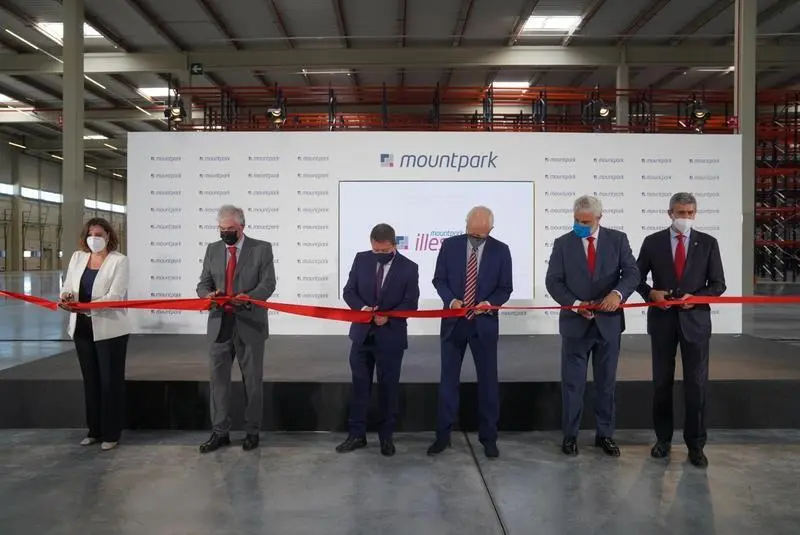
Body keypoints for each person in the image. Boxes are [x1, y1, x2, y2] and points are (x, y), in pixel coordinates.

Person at [635, 192, 726, 468]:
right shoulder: (652, 242)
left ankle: (696, 445)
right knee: (661, 384)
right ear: (669, 213)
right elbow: (636, 277)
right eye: (679, 212)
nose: (684, 217)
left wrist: (696, 298)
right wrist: (651, 294)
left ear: (695, 214)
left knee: (696, 386)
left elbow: (718, 284)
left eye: (689, 213)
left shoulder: (708, 243)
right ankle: (662, 440)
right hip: (662, 322)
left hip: (695, 324)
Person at [545, 195, 639, 457]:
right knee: (572, 385)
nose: (580, 225)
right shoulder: (562, 243)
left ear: (599, 218)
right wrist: (575, 304)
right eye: (576, 220)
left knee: (606, 384)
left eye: (585, 222)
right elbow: (553, 281)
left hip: (608, 326)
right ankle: (570, 436)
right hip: (575, 326)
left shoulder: (618, 240)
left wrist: (617, 295)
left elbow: (632, 273)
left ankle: (605, 435)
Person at [428, 206, 513, 459]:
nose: (475, 239)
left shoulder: (502, 250)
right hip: (454, 323)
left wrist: (490, 303)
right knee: (448, 382)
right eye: (472, 233)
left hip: (484, 325)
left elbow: (505, 288)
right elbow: (439, 280)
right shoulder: (449, 246)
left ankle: (489, 438)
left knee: (488, 383)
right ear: (466, 225)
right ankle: (443, 436)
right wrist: (452, 300)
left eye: (481, 235)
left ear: (491, 230)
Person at [196, 204, 276, 453]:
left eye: (230, 228)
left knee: (252, 382)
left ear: (242, 226)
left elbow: (268, 284)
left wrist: (249, 298)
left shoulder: (261, 249)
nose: (225, 233)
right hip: (219, 324)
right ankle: (220, 432)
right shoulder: (212, 249)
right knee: (218, 382)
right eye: (221, 229)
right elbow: (203, 283)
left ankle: (252, 431)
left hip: (250, 323)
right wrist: (207, 295)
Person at [338, 224, 420, 457]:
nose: (380, 254)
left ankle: (386, 438)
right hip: (362, 336)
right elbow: (349, 291)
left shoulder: (409, 268)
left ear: (394, 245)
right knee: (359, 388)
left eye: (384, 251)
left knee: (388, 389)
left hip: (391, 338)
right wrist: (363, 309)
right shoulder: (361, 260)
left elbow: (411, 303)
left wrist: (389, 316)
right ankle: (356, 435)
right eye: (376, 250)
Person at [59, 217, 130, 451]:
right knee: (91, 381)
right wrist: (66, 297)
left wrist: (86, 306)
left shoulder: (119, 261)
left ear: (109, 236)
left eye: (99, 235)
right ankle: (94, 431)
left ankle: (111, 433)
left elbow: (115, 296)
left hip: (110, 331)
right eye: (90, 234)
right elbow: (68, 285)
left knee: (110, 383)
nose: (94, 239)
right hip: (81, 328)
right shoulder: (78, 258)